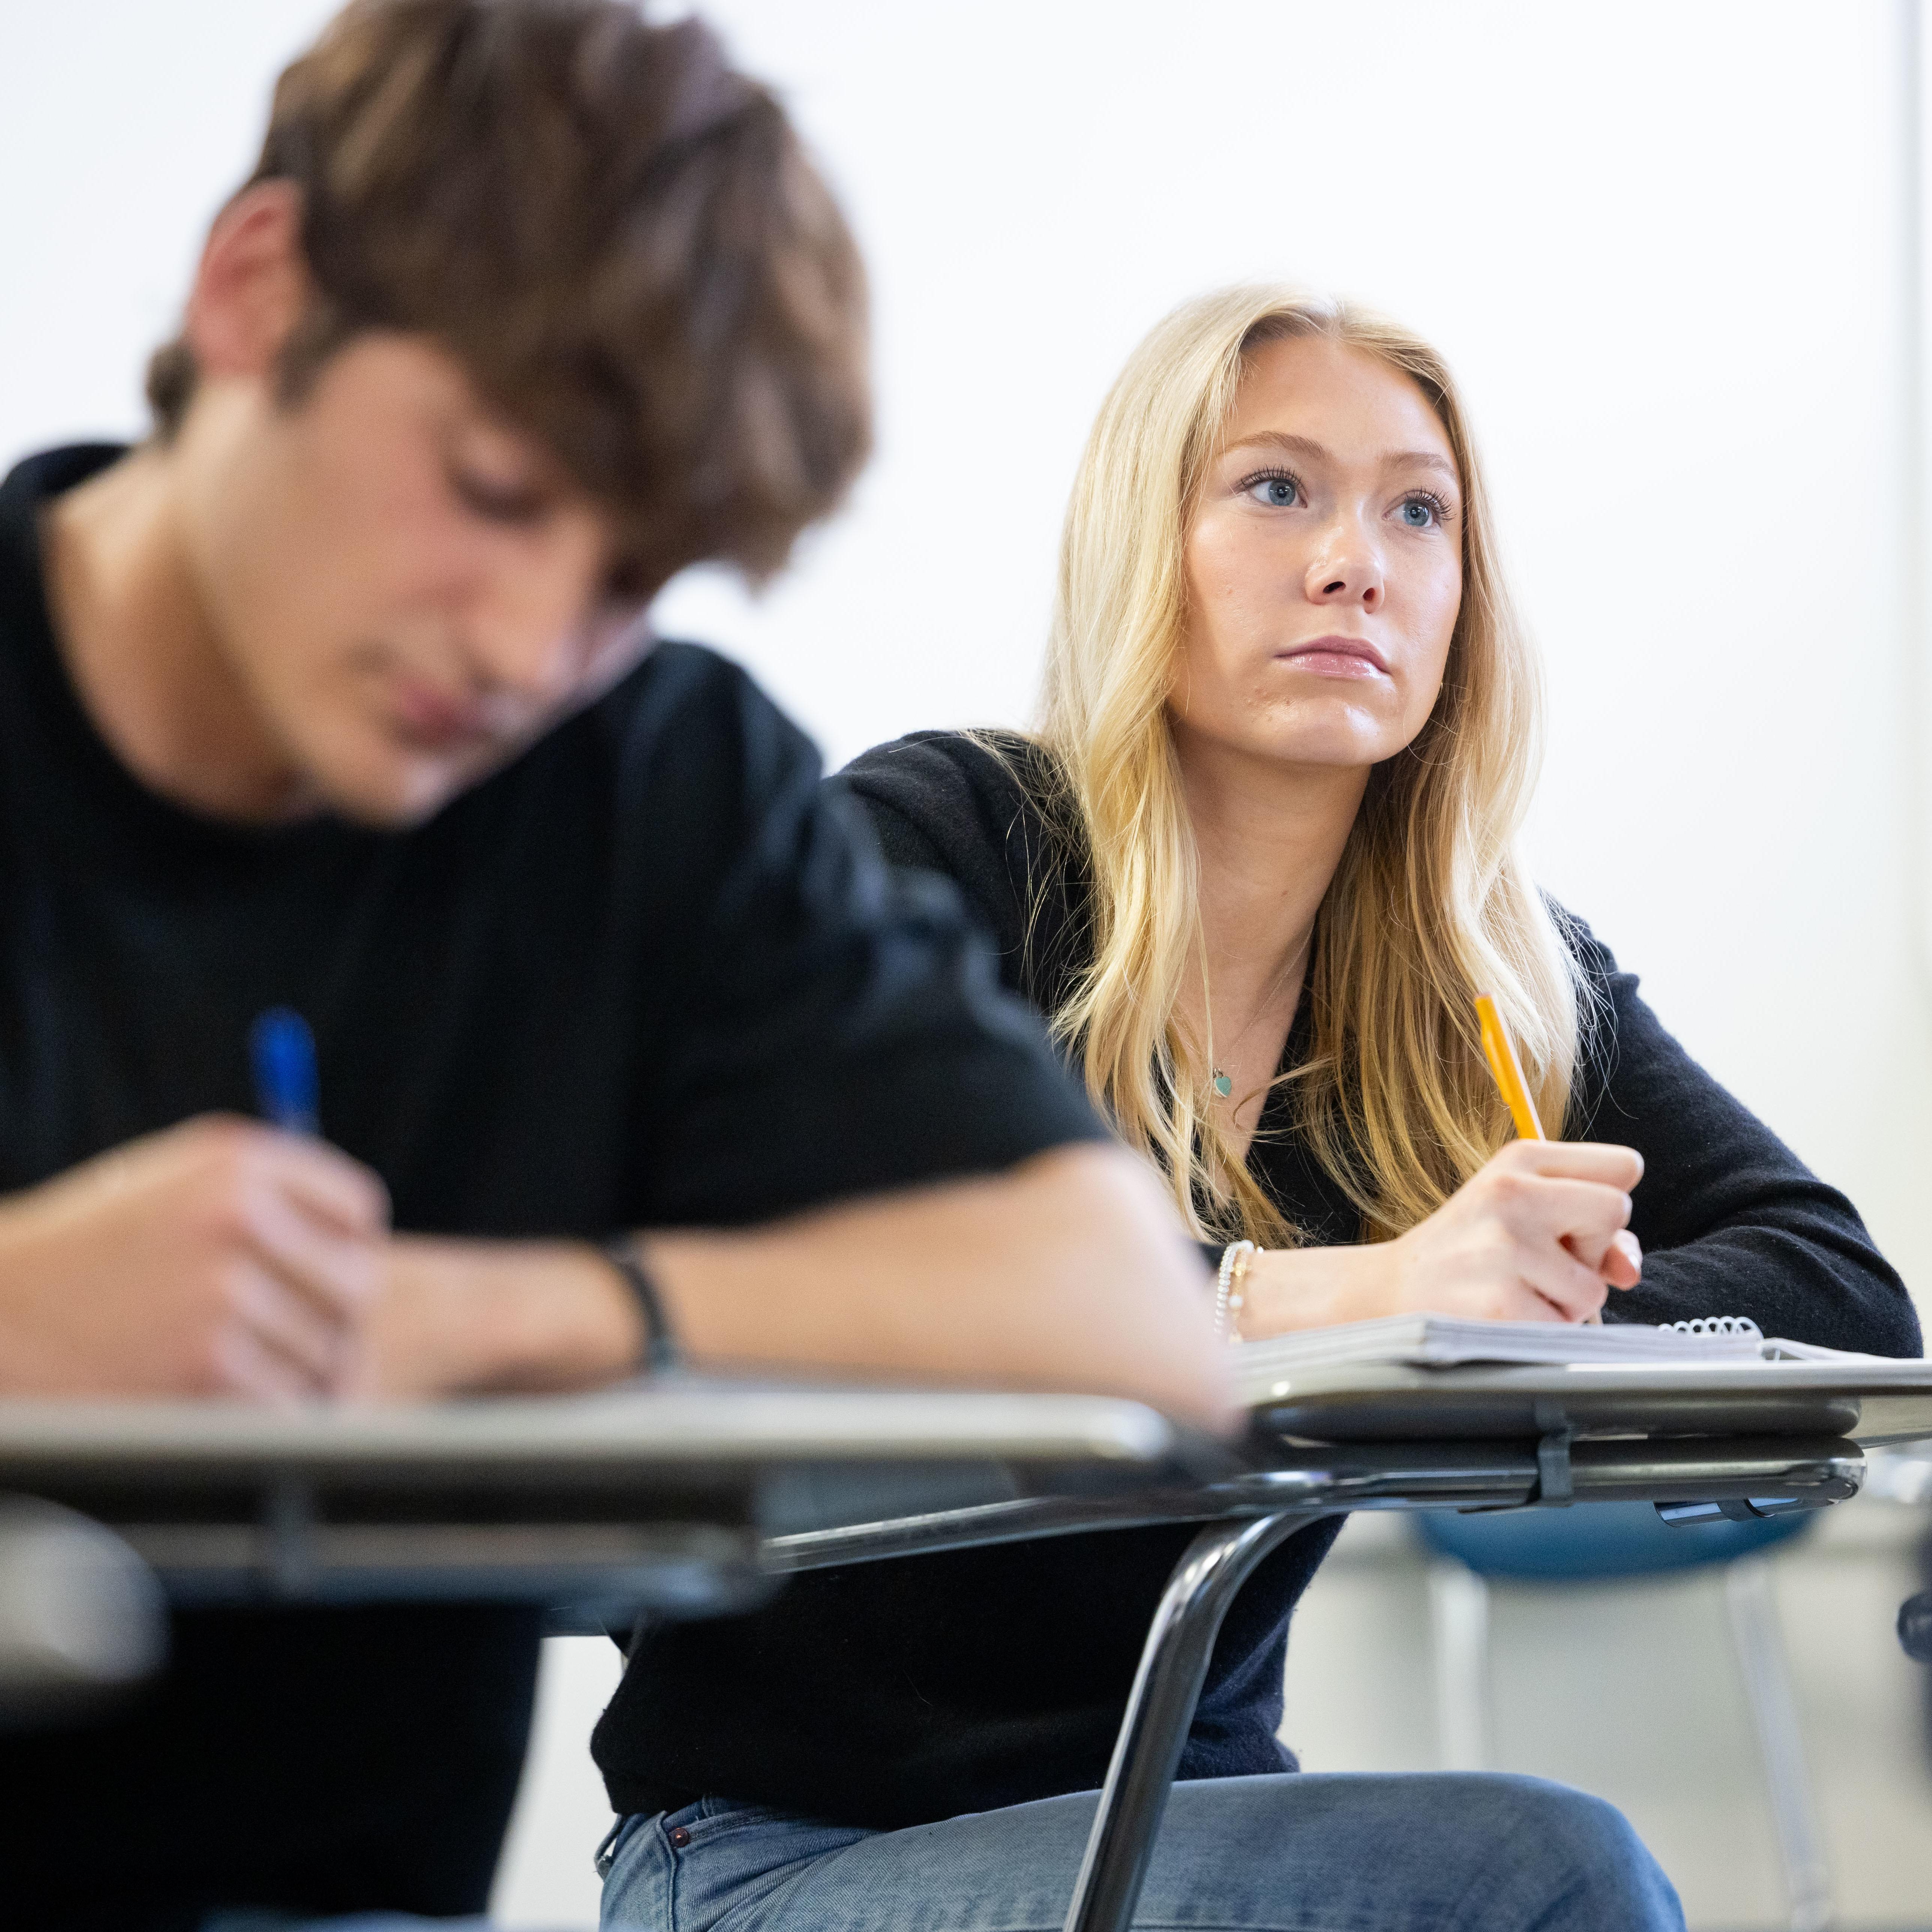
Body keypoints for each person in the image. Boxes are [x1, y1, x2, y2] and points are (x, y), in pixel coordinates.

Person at [0, 6, 1234, 1928]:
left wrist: (527, 1308)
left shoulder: (650, 781)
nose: (525, 645)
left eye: (625, 579)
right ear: (257, 291)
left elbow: (1132, 1316)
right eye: (495, 489)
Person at [591, 286, 1921, 1930]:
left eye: (1414, 509)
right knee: (1541, 1873)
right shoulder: (937, 843)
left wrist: (1548, 1305)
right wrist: (1367, 1291)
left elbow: (1834, 1281)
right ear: (1142, 542)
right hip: (776, 1842)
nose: (1354, 558)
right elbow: (820, 1259)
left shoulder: (1485, 978)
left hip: (1186, 1808)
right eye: (1275, 487)